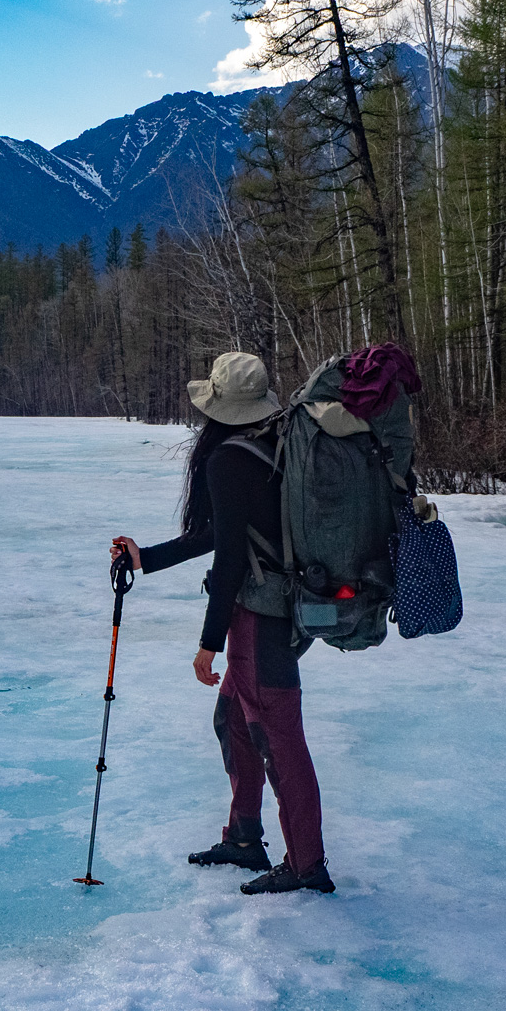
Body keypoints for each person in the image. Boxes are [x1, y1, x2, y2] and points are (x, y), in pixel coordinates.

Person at [111, 352, 335, 895]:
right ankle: (243, 838)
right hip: (281, 607)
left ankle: (307, 866)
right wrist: (150, 558)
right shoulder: (274, 441)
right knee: (234, 718)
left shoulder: (231, 459)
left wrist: (208, 644)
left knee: (280, 739)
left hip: (261, 617)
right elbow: (226, 533)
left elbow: (231, 559)